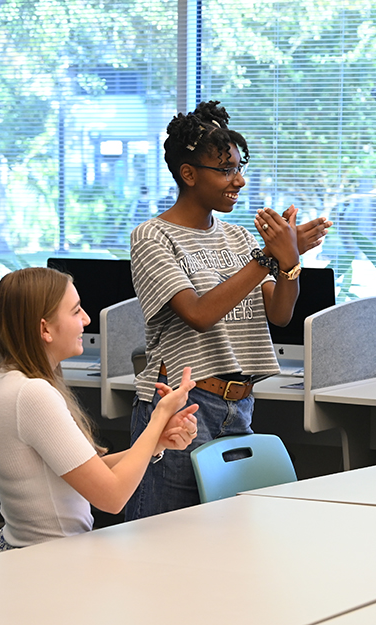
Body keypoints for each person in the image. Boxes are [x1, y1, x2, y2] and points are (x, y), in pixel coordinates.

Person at [125, 100, 332, 520]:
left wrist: (290, 261)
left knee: (225, 540)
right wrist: (268, 259)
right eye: (225, 170)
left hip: (239, 405)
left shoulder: (238, 239)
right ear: (188, 174)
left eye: (239, 168)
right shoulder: (153, 237)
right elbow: (198, 314)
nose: (238, 180)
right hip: (181, 407)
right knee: (162, 538)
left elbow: (279, 313)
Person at [0, 267, 199, 551]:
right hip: (47, 562)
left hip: (31, 553)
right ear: (44, 329)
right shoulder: (32, 394)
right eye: (76, 311)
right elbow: (113, 496)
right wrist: (160, 416)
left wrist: (155, 442)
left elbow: (84, 472)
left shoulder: (7, 382)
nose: (86, 319)